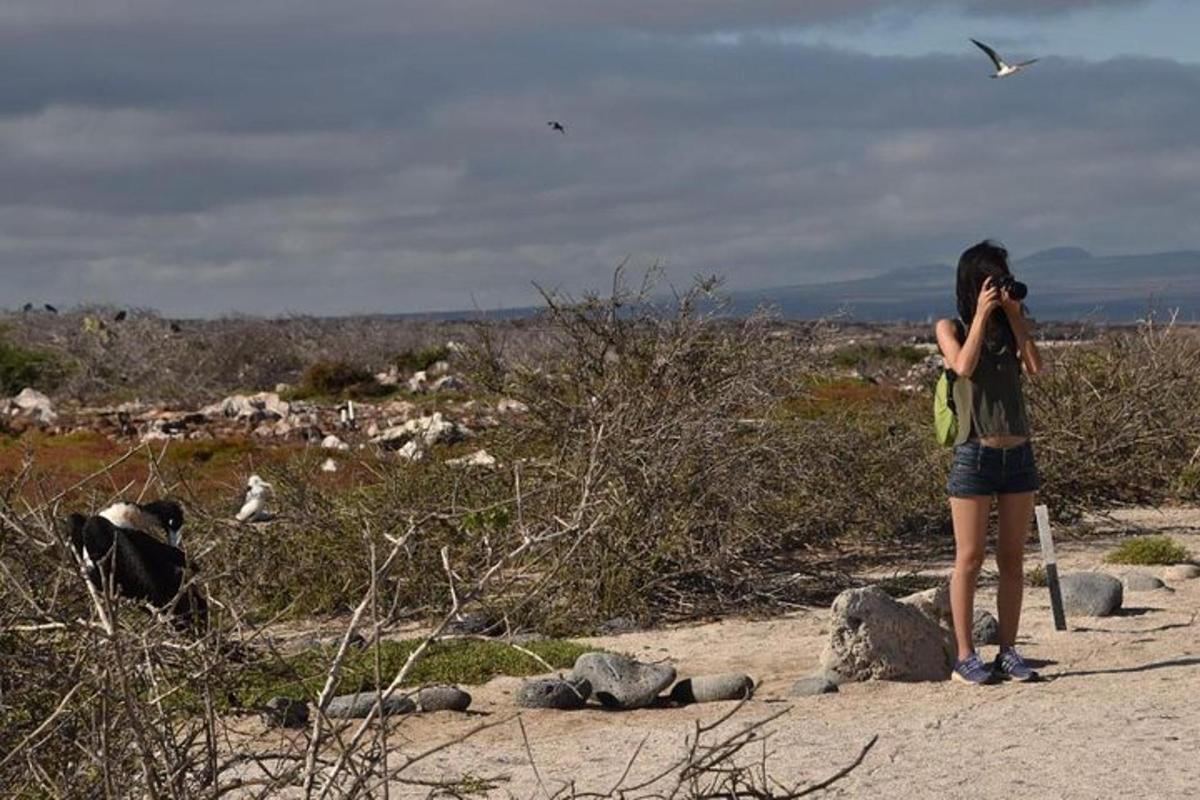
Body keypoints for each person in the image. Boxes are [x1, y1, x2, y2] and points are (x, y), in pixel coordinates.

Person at [935, 240, 1044, 685]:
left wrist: (1015, 317)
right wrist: (980, 316)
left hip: (1018, 455)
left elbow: (1037, 368)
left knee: (1013, 558)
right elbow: (962, 365)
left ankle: (1009, 651)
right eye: (990, 280)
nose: (997, 288)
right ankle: (965, 655)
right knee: (970, 557)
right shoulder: (950, 326)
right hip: (974, 454)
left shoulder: (1012, 328)